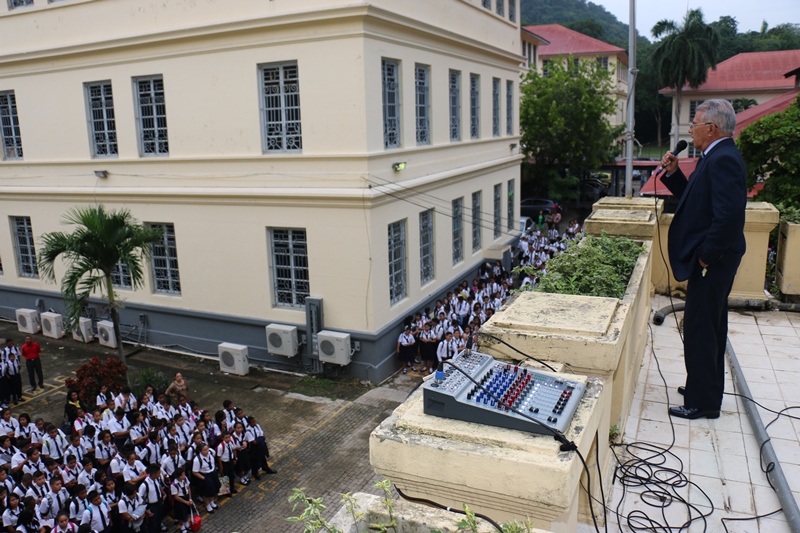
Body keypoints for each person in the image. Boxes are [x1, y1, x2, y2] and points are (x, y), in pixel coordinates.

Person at [659, 99, 747, 420]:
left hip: (714, 261)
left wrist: (706, 258)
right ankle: (702, 386)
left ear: (711, 128)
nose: (691, 130)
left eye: (694, 124)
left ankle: (704, 401)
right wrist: (673, 174)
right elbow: (697, 202)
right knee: (708, 325)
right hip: (713, 259)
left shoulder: (724, 159)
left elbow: (728, 218)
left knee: (701, 328)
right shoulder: (714, 156)